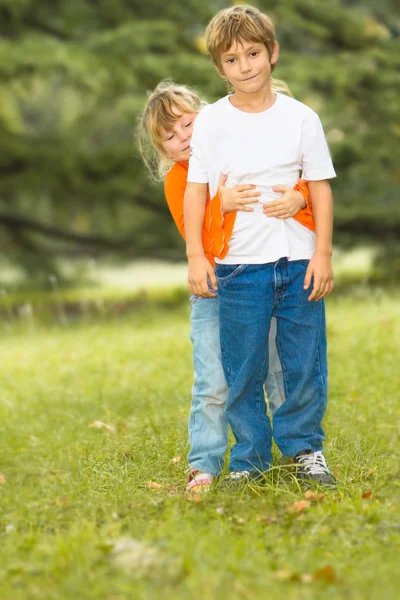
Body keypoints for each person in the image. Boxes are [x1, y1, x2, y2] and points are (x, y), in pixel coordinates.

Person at [184, 5, 336, 486]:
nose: (245, 65)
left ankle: (304, 450)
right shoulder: (210, 122)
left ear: (273, 53)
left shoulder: (301, 118)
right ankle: (250, 459)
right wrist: (196, 255)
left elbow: (320, 187)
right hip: (236, 267)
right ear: (218, 68)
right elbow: (196, 189)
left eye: (253, 53)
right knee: (243, 368)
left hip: (297, 262)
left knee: (302, 364)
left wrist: (323, 253)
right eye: (231, 59)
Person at [138, 81, 314, 491]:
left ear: (207, 115)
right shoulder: (178, 180)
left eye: (187, 123)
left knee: (275, 367)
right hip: (215, 288)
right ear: (162, 149)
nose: (183, 136)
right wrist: (224, 204)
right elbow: (193, 233)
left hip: (262, 278)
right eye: (170, 135)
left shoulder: (237, 150)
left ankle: (296, 450)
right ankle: (204, 463)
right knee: (214, 380)